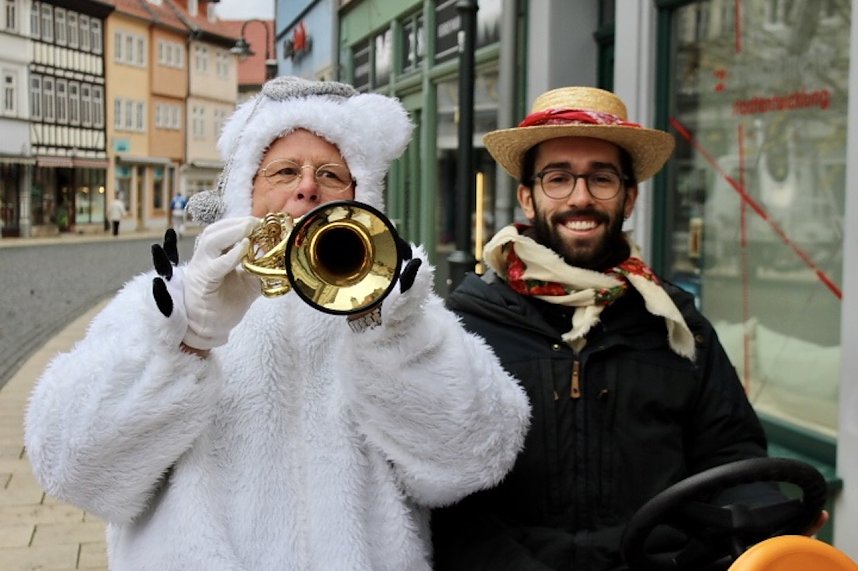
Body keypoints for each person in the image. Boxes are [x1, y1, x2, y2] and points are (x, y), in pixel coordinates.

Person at [24, 76, 531, 570]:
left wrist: (392, 340)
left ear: (361, 196)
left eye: (331, 174)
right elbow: (70, 468)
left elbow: (475, 459)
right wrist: (186, 344)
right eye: (285, 171)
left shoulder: (401, 309)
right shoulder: (166, 304)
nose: (308, 188)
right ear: (248, 189)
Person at [430, 86, 826, 569]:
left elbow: (729, 455)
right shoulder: (469, 325)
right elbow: (446, 487)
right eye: (558, 178)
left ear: (629, 197)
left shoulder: (677, 324)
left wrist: (768, 520)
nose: (581, 197)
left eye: (602, 178)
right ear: (528, 198)